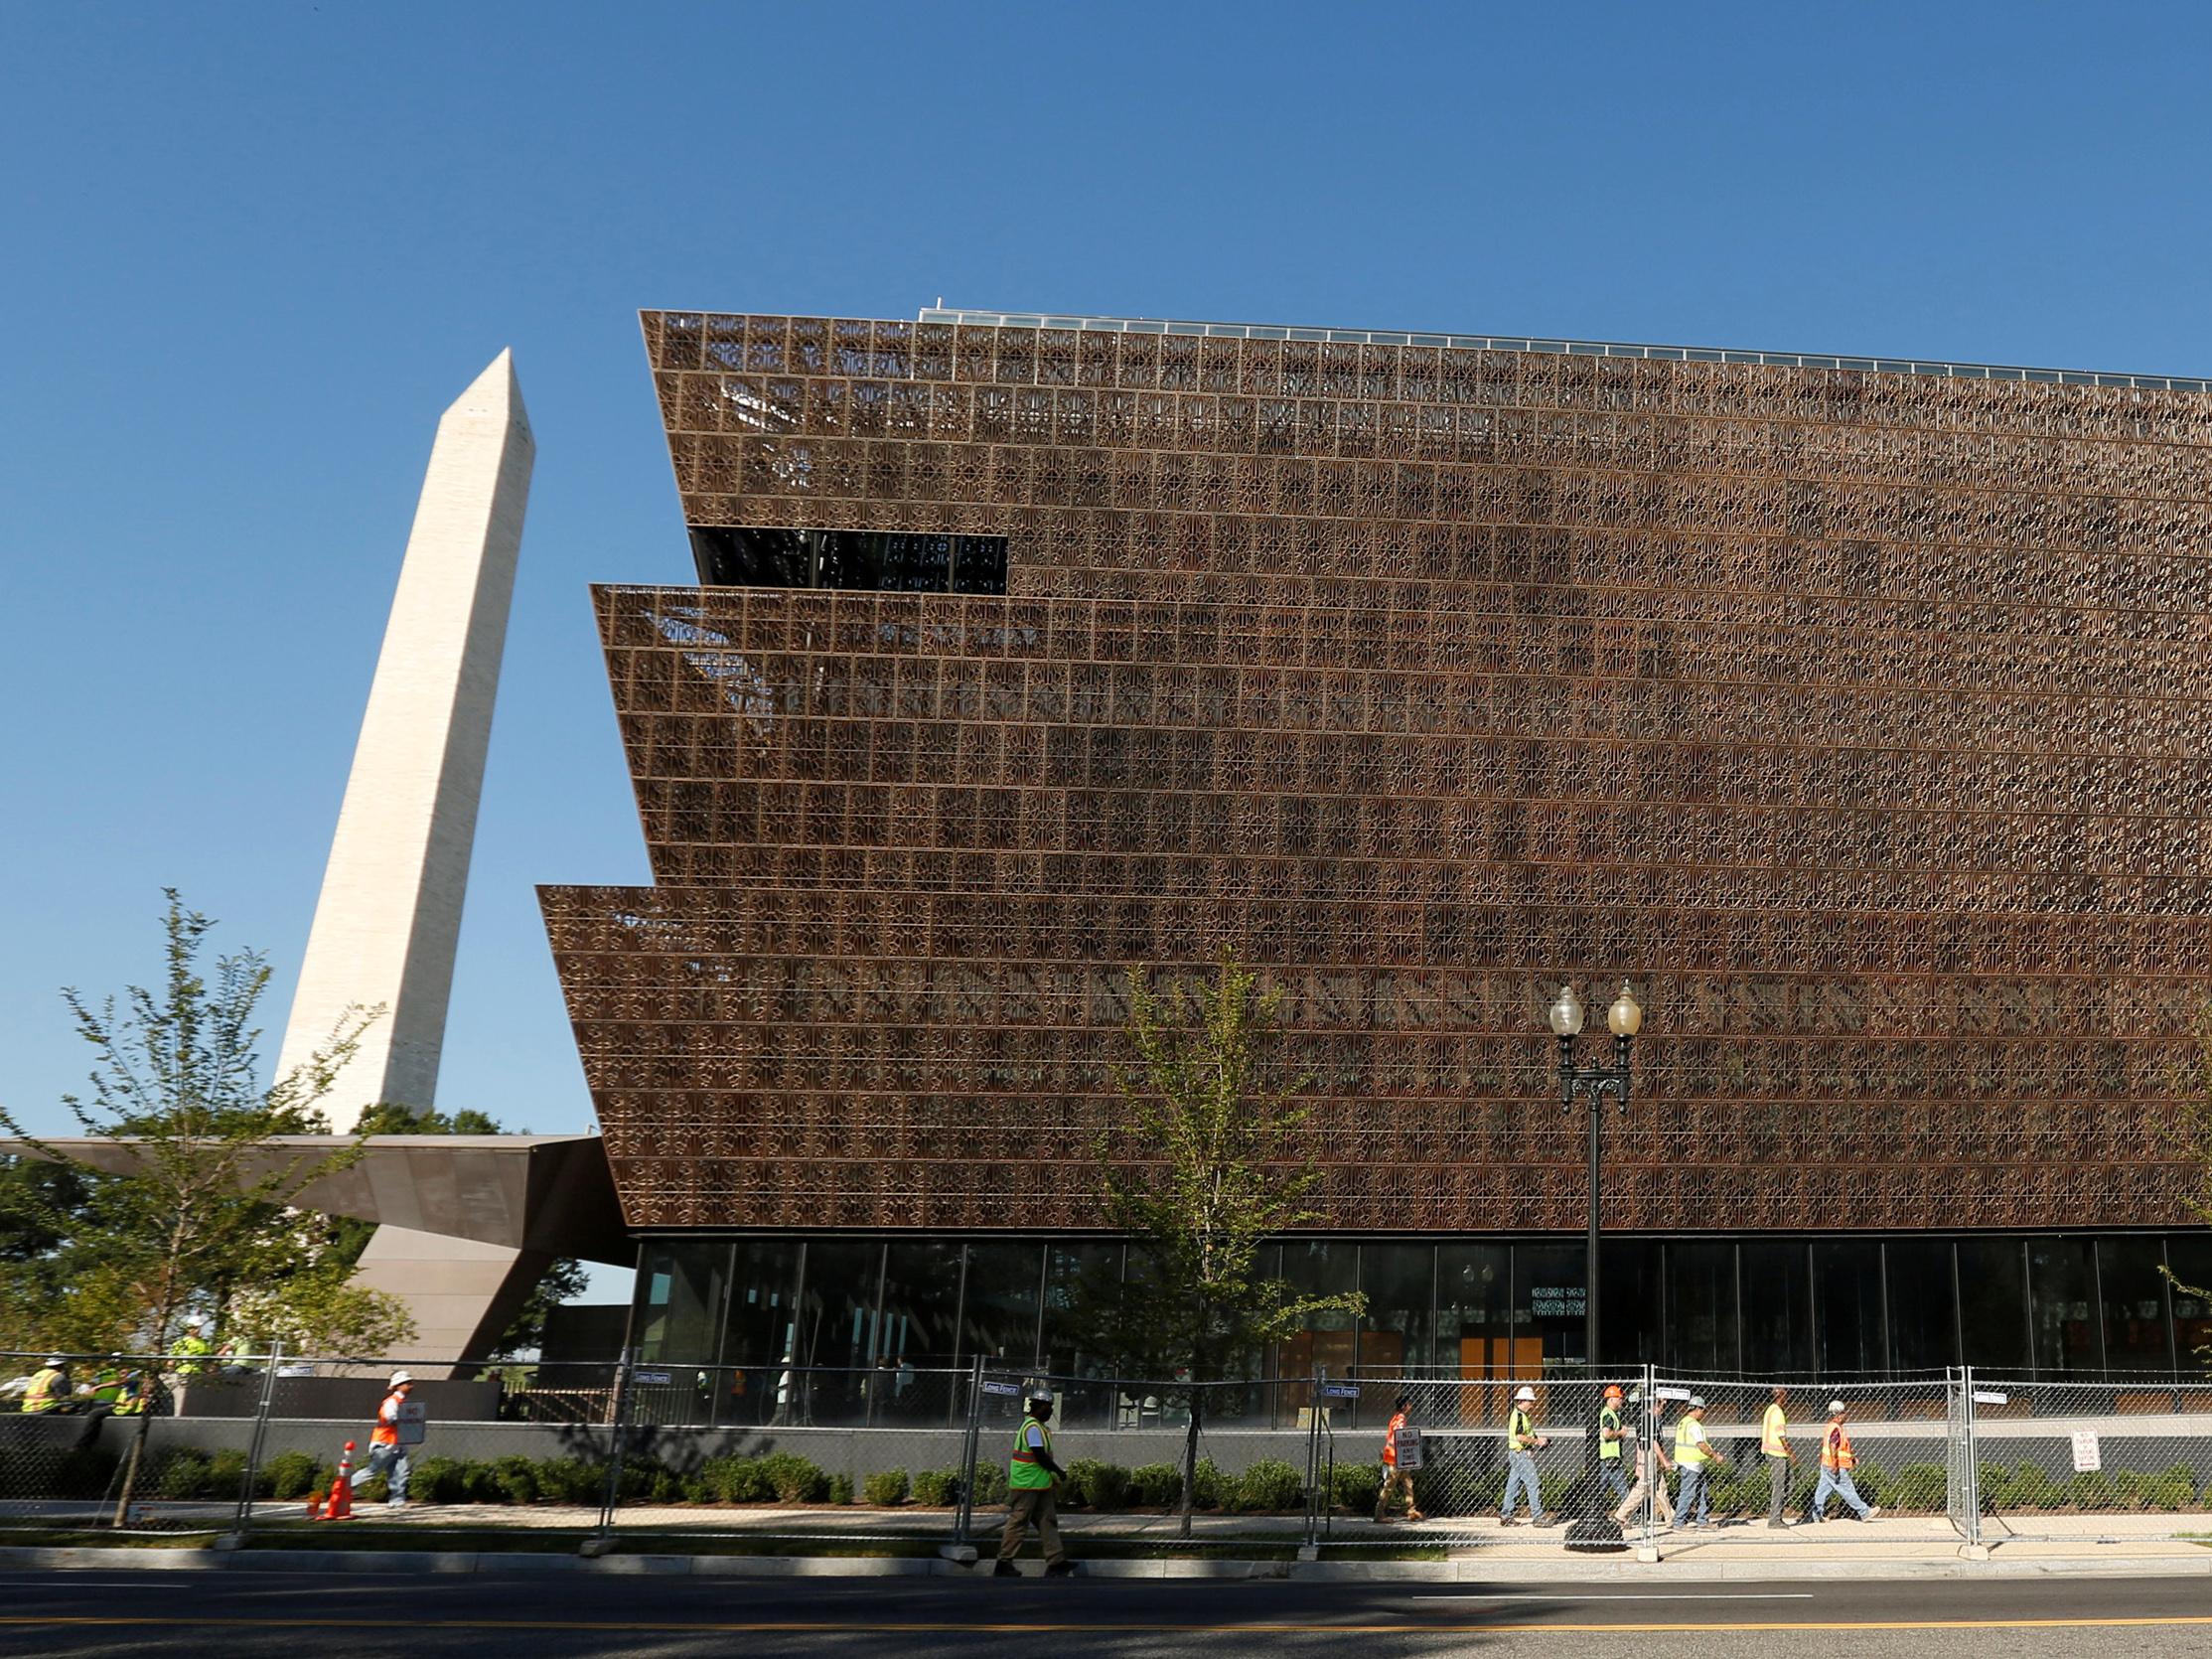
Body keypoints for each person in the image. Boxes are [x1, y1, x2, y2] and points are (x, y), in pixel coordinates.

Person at [995, 1390, 1075, 1577]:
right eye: (1048, 1407)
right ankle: (1004, 1562)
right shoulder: (1032, 1428)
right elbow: (1039, 1455)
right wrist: (1058, 1471)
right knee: (1019, 1522)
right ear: (1040, 1407)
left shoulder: (1039, 1427)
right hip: (1026, 1485)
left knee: (1048, 1521)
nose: (1050, 1411)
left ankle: (1056, 1561)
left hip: (1039, 1484)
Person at [351, 1371, 421, 1509]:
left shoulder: (403, 1402)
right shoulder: (391, 1402)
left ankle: (397, 1501)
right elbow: (390, 1419)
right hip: (385, 1443)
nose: (411, 1386)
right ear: (398, 1385)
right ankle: (343, 1486)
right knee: (372, 1471)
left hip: (398, 1443)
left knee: (400, 1472)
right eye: (408, 1383)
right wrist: (408, 1422)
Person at [1809, 1399, 1881, 1524]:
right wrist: (1835, 1464)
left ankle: (1817, 1514)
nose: (1845, 1415)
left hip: (1826, 1464)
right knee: (1847, 1489)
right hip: (1834, 1466)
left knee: (1823, 1489)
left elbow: (1839, 1447)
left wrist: (1851, 1459)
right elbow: (1833, 1446)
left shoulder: (1831, 1427)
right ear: (1838, 1415)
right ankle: (1865, 1512)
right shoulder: (1836, 1428)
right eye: (1843, 1413)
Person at [1612, 1395, 1675, 1529]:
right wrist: (1664, 1461)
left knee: (1660, 1488)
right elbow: (1652, 1442)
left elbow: (1639, 1443)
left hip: (1650, 1456)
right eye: (1661, 1405)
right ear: (1654, 1405)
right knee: (1643, 1487)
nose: (1662, 1409)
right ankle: (1621, 1515)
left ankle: (1670, 1517)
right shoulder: (1648, 1420)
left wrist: (1639, 1462)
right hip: (1650, 1455)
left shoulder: (1648, 1419)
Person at [1500, 1385, 1556, 1526]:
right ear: (1523, 1400)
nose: (1532, 1404)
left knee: (1513, 1485)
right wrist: (1537, 1442)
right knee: (1533, 1483)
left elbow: (1526, 1434)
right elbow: (1519, 1436)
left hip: (1518, 1453)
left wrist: (1536, 1441)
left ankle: (1506, 1515)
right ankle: (1538, 1516)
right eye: (1530, 1401)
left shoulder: (1522, 1415)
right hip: (1519, 1454)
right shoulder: (1518, 1415)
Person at [1375, 1393, 1424, 1523]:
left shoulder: (1395, 1417)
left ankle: (1411, 1510)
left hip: (1398, 1458)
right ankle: (1379, 1514)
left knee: (1408, 1483)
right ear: (1405, 1406)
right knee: (1389, 1486)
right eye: (1409, 1403)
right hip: (1395, 1458)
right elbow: (1398, 1434)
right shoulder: (1400, 1418)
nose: (1411, 1406)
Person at [1673, 1396, 1718, 1529]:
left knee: (1702, 1492)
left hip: (1692, 1464)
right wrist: (1715, 1456)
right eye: (1703, 1410)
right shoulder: (1694, 1425)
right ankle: (1679, 1522)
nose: (1704, 1413)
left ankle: (1702, 1520)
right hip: (1690, 1464)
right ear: (1698, 1409)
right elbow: (1701, 1445)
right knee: (1688, 1493)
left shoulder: (1683, 1422)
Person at [1762, 1386, 1798, 1527]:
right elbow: (1782, 1437)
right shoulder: (1777, 1412)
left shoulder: (1770, 1410)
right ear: (1780, 1396)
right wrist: (1792, 1455)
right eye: (1785, 1395)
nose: (1787, 1398)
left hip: (1774, 1453)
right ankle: (1774, 1518)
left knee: (1788, 1484)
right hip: (1777, 1454)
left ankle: (1777, 1515)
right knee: (1780, 1486)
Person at [1595, 1384, 1631, 1513]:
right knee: (1622, 1489)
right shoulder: (1608, 1414)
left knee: (1601, 1489)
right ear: (1611, 1399)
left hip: (1608, 1457)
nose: (1621, 1400)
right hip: (1610, 1456)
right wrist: (1620, 1433)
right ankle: (1627, 1515)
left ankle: (1595, 1511)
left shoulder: (1611, 1414)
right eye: (1619, 1398)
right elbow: (1606, 1433)